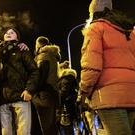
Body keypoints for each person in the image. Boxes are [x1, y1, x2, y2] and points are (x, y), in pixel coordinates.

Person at [79, 0, 135, 134]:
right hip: (131, 92)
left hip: (109, 95)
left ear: (93, 13)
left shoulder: (95, 28)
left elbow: (92, 66)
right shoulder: (129, 32)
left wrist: (83, 92)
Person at [0, 27, 39, 135]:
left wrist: (29, 90)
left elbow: (34, 71)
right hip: (3, 100)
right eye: (6, 33)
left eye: (12, 32)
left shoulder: (22, 50)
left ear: (17, 37)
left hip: (21, 97)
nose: (8, 34)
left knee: (23, 132)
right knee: (6, 133)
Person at [32, 36, 60, 135]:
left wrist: (32, 92)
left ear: (38, 45)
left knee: (46, 126)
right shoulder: (53, 56)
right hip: (53, 92)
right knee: (52, 126)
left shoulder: (43, 56)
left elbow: (39, 76)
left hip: (43, 94)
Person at [57, 60, 78, 135]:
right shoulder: (72, 78)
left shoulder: (65, 79)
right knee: (70, 127)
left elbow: (63, 93)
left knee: (66, 129)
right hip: (71, 106)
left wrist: (57, 97)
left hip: (65, 107)